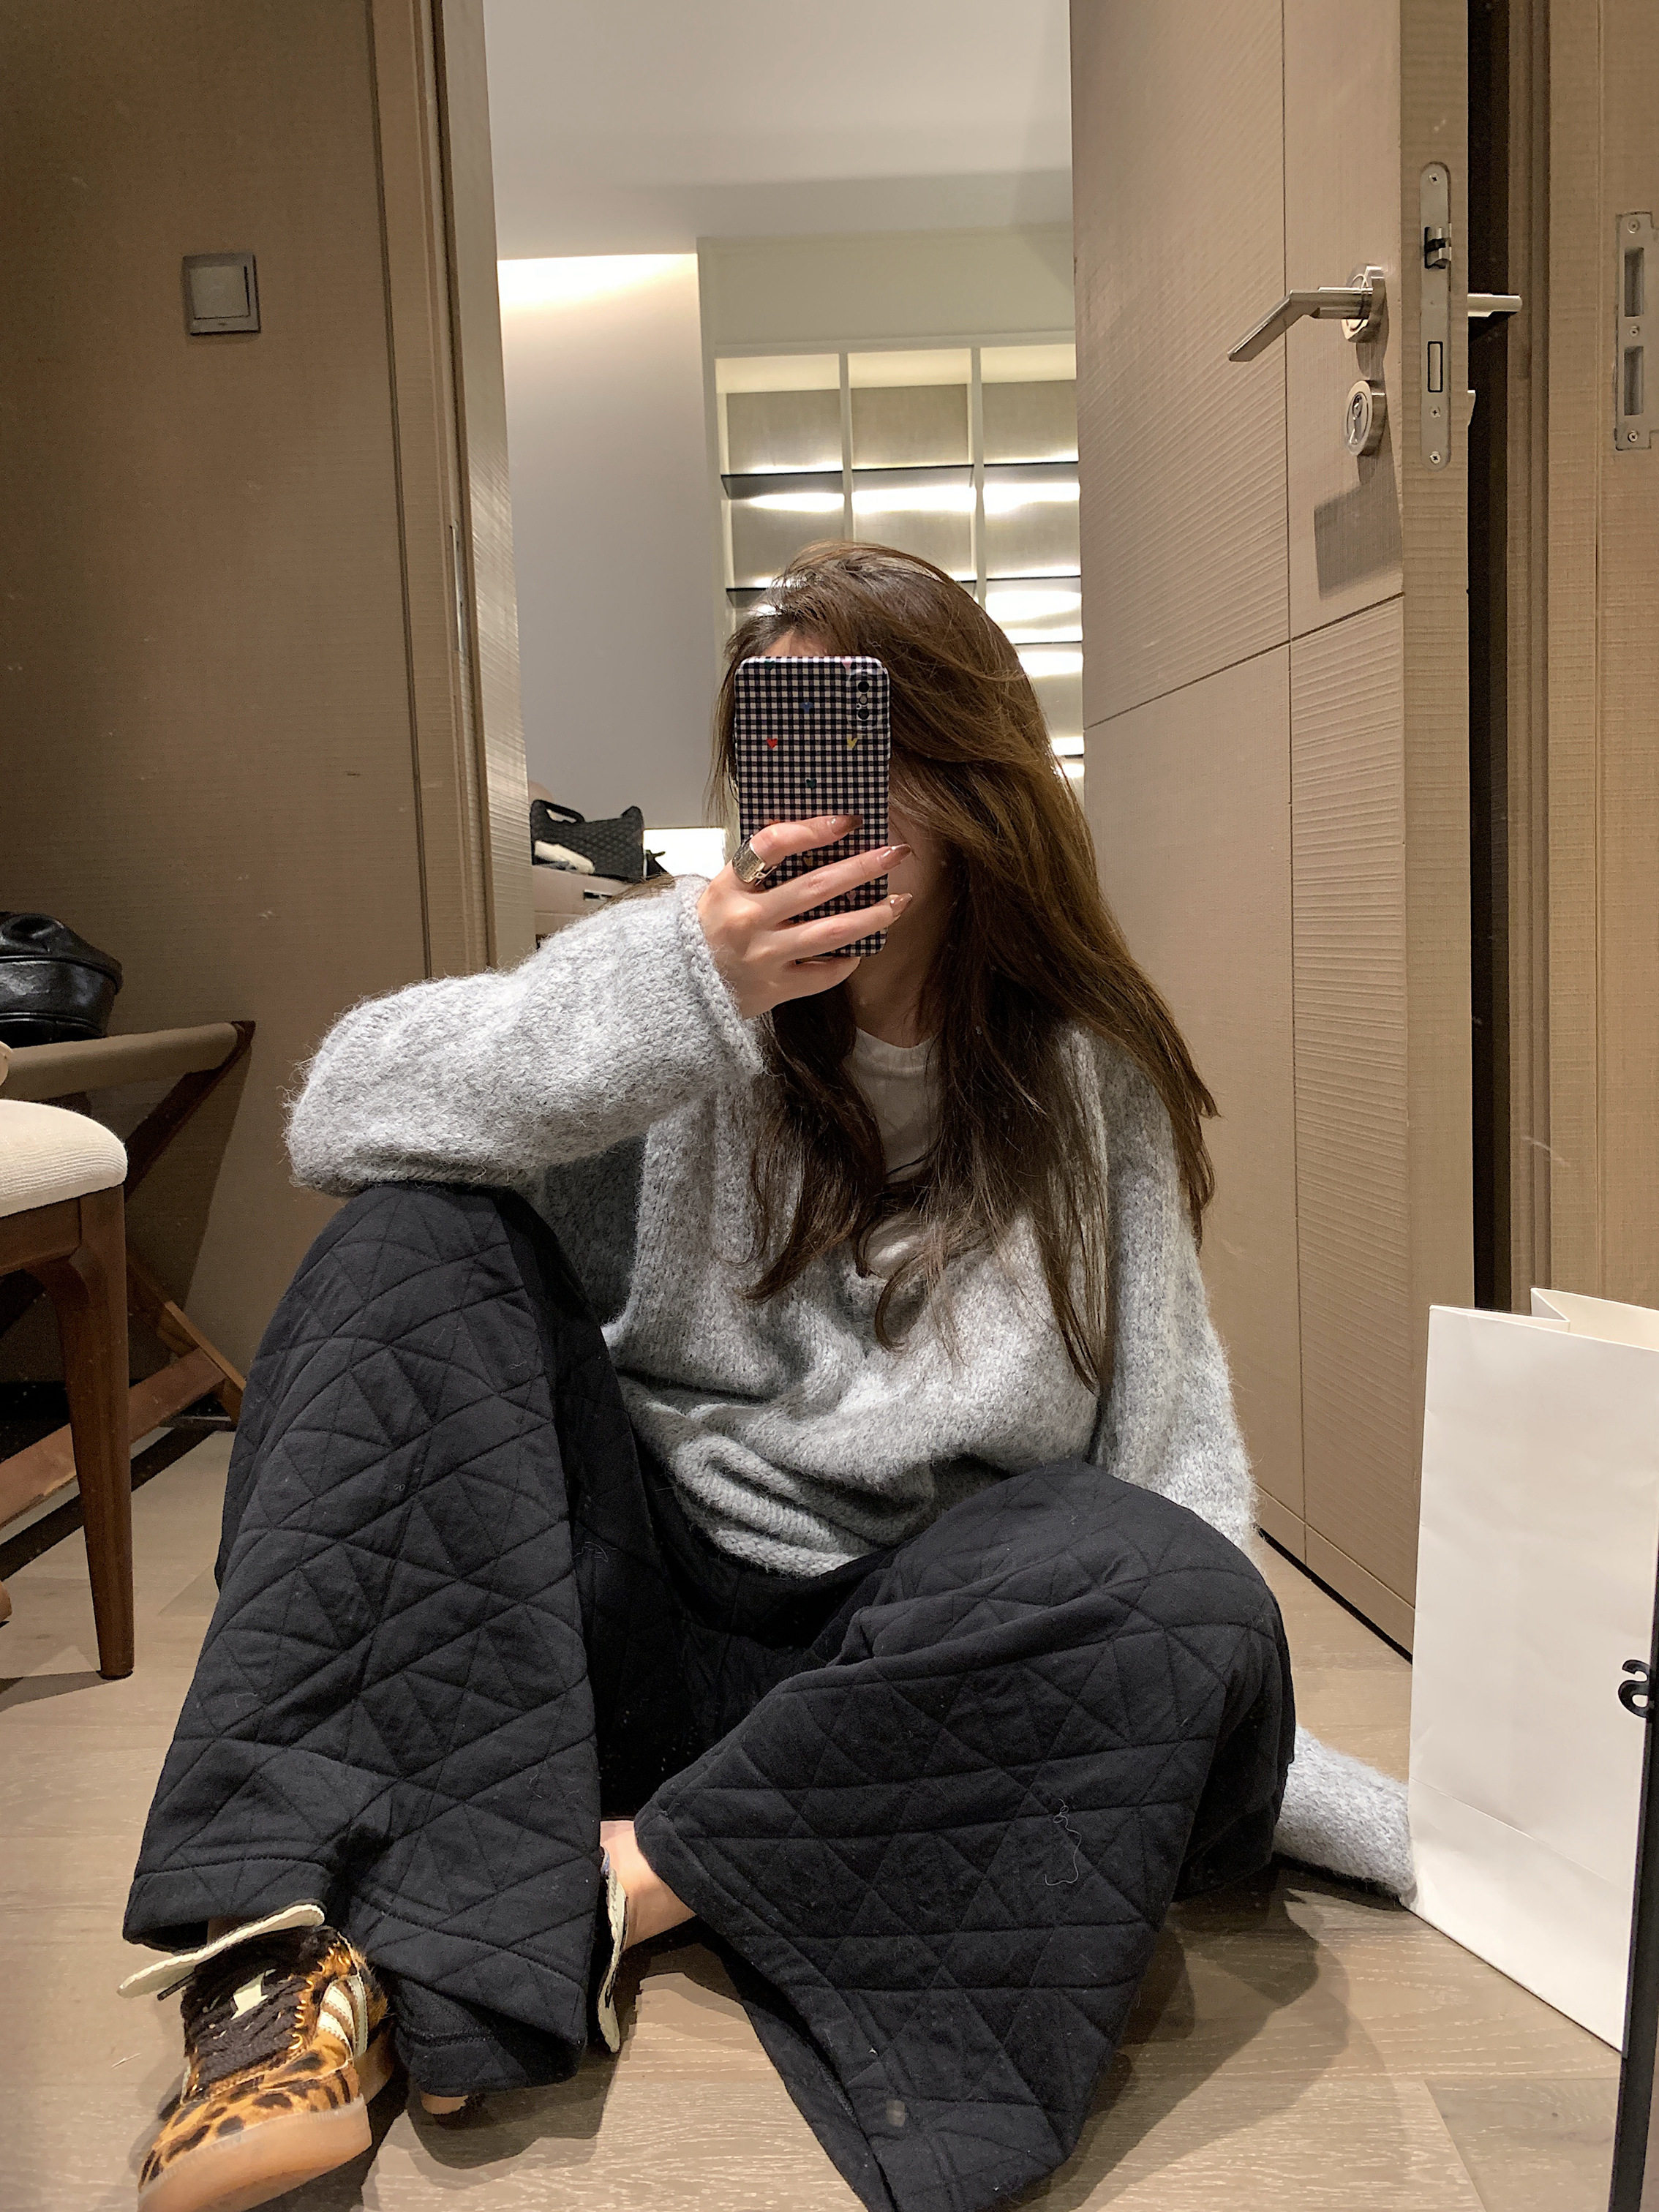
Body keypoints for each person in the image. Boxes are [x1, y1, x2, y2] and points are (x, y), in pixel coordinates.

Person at [120, 543, 1410, 2212]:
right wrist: (684, 987)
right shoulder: (674, 992)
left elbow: (1171, 1457)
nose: (813, 800)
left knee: (1172, 1585)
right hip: (634, 1619)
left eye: (865, 748)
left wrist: (1228, 1726)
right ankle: (278, 1960)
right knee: (408, 1244)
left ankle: (620, 1881)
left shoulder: (1089, 1077)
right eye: (778, 753)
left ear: (973, 779)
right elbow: (344, 1114)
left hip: (896, 1660)